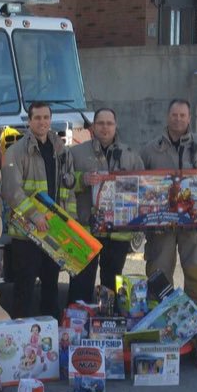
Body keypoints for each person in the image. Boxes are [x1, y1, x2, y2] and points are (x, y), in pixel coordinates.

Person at [139, 99, 197, 314]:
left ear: (189, 118)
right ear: (168, 117)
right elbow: (138, 186)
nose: (178, 119)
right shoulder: (150, 150)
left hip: (194, 227)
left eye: (182, 115)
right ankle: (157, 317)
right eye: (174, 115)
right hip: (161, 227)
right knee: (159, 271)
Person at [1, 101, 74, 319]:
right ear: (29, 121)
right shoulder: (16, 151)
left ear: (50, 120)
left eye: (46, 118)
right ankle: (20, 333)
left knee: (51, 285)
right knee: (24, 286)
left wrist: (71, 223)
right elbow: (11, 190)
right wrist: (35, 216)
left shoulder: (61, 151)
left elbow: (68, 191)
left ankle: (50, 332)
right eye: (37, 118)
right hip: (26, 234)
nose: (42, 122)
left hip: (54, 229)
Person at [65, 108, 145, 304]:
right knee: (81, 281)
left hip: (118, 233)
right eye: (100, 123)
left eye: (109, 123)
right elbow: (63, 183)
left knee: (112, 282)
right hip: (86, 229)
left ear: (115, 126)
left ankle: (108, 322)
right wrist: (82, 179)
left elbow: (143, 189)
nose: (105, 127)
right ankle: (78, 323)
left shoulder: (131, 155)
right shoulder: (75, 153)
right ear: (93, 126)